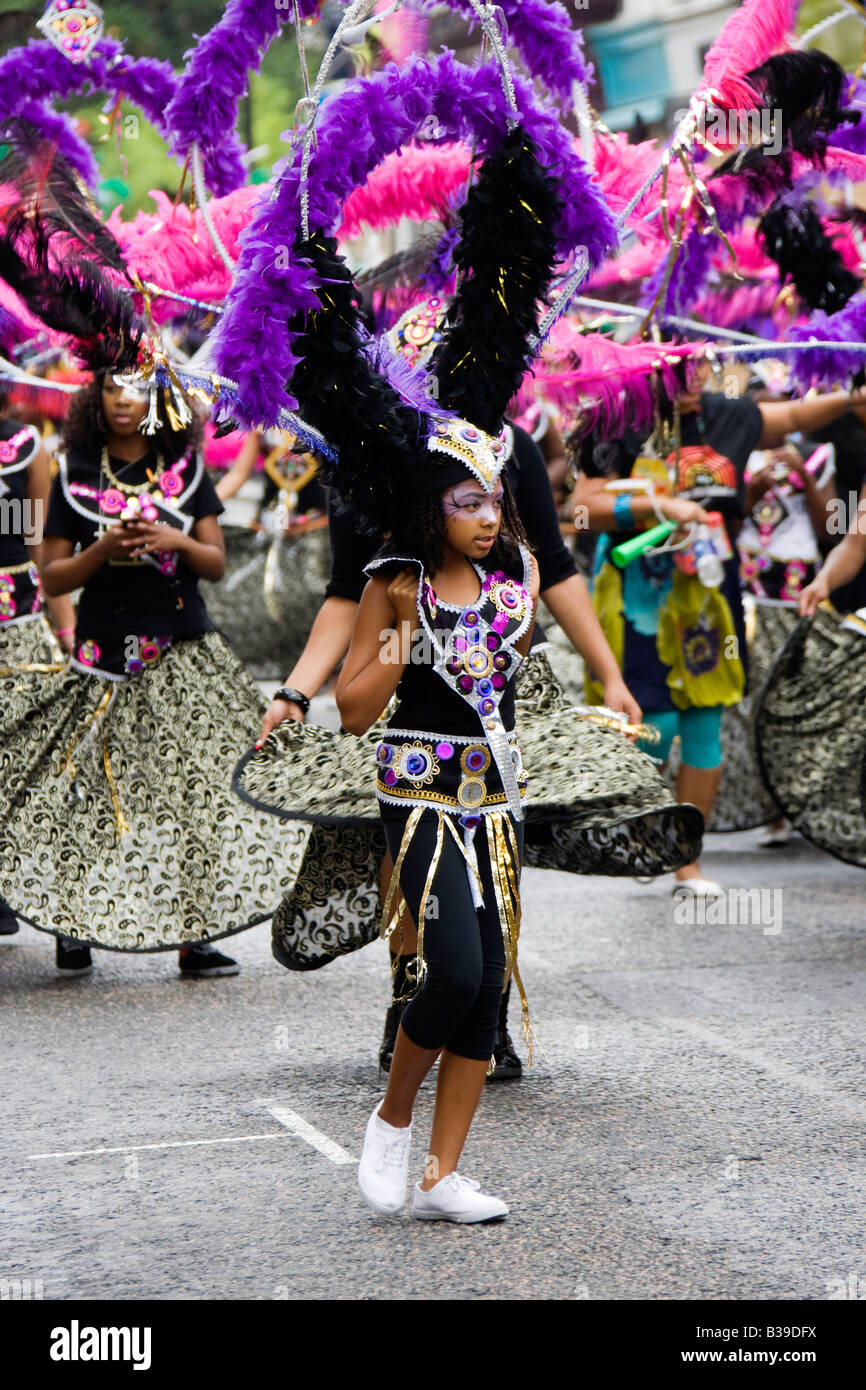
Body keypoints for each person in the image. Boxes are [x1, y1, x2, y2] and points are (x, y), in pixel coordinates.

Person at [0, 371, 310, 974]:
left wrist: (175, 539)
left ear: (161, 400)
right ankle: (73, 926)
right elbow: (51, 577)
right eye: (113, 389)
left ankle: (193, 937)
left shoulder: (187, 470)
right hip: (102, 658)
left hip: (184, 652)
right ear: (96, 400)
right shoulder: (73, 473)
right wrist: (100, 553)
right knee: (86, 795)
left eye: (139, 389)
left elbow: (217, 565)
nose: (124, 400)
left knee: (194, 796)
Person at [571, 363, 866, 895]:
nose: (692, 378)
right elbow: (582, 508)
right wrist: (655, 504)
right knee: (652, 719)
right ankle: (645, 835)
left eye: (700, 367)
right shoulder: (618, 420)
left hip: (709, 593)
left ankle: (687, 861)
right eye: (679, 369)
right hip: (641, 594)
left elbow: (797, 413)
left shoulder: (727, 415)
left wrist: (851, 396)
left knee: (706, 718)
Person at [342, 425, 539, 1222]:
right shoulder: (393, 581)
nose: (487, 516)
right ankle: (391, 1121)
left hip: (495, 795)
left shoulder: (515, 579)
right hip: (418, 792)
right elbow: (355, 711)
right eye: (467, 503)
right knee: (453, 969)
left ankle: (440, 1175)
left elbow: (503, 676)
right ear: (431, 508)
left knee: (488, 988)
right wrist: (404, 629)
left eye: (493, 499)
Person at [0, 405, 74, 939]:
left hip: (18, 622)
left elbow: (37, 547)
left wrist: (66, 631)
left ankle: (40, 899)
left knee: (30, 757)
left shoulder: (26, 446)